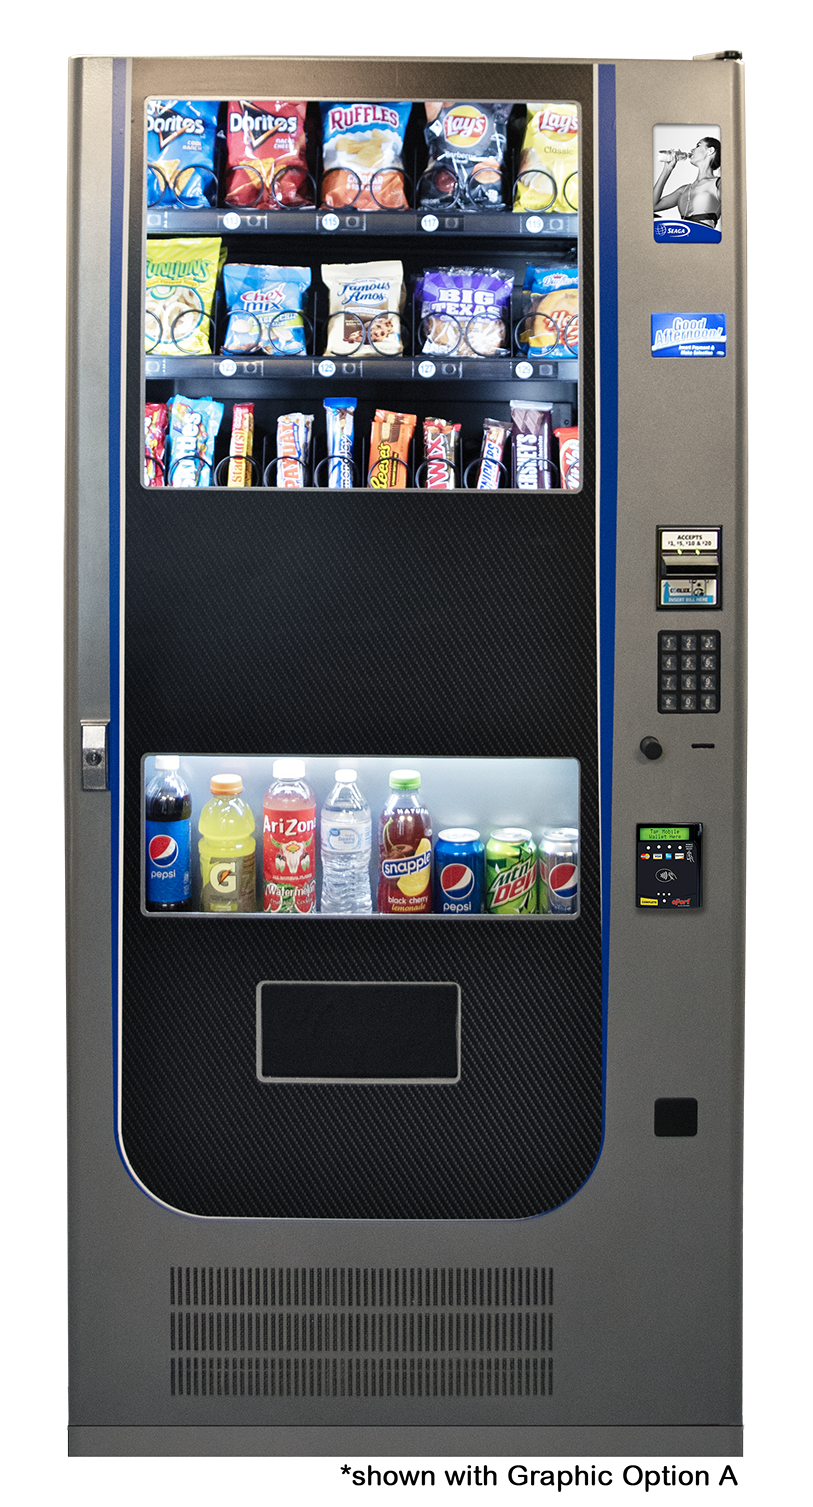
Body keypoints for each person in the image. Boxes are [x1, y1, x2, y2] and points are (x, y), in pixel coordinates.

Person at [653, 137, 721, 228]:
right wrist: (667, 169)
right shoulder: (684, 190)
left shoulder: (718, 183)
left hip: (704, 239)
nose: (692, 150)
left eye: (698, 145)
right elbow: (653, 206)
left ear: (710, 150)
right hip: (684, 238)